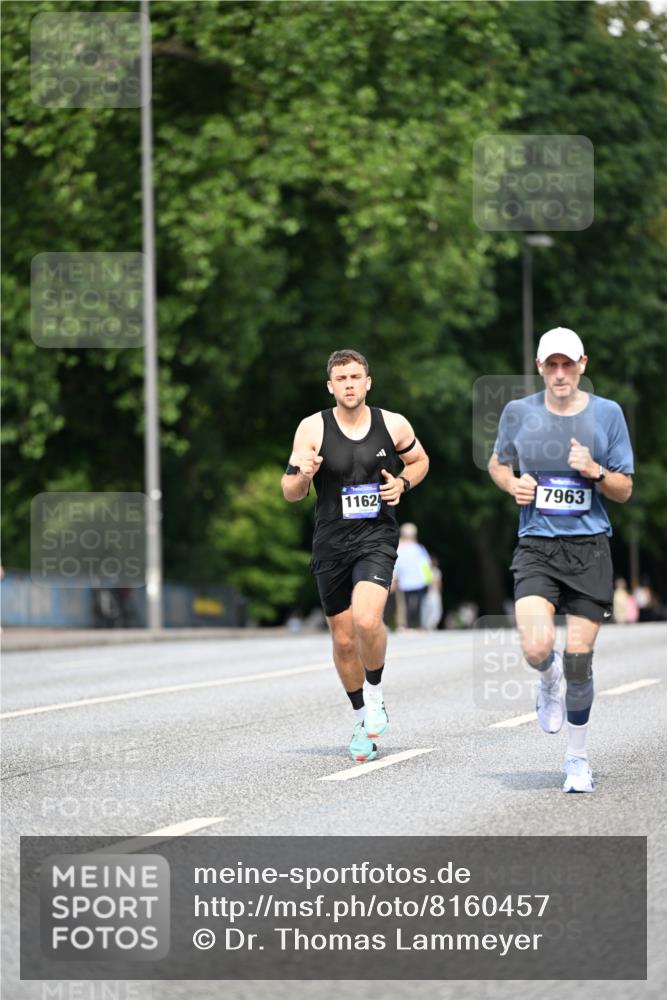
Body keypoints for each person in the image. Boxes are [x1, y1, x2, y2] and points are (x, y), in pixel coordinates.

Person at [488, 327, 634, 793]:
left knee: (578, 660)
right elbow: (497, 462)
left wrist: (595, 471)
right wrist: (512, 483)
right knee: (536, 648)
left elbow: (624, 489)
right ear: (539, 367)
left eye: (567, 364)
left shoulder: (607, 414)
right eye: (551, 364)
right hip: (537, 545)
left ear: (582, 365)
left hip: (590, 548)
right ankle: (547, 679)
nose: (559, 372)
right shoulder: (519, 413)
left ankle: (577, 759)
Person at [281, 349, 429, 761]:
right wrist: (303, 475)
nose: (349, 384)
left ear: (368, 382)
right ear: (331, 386)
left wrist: (403, 483)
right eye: (341, 378)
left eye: (355, 377)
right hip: (330, 543)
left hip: (375, 538)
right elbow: (290, 492)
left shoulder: (393, 424)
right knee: (344, 640)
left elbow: (419, 460)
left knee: (366, 620)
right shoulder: (312, 428)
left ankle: (376, 694)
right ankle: (362, 720)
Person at [393, 523, 432, 628]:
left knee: (404, 604)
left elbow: (396, 565)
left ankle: (407, 625)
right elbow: (426, 564)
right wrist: (429, 579)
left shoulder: (399, 549)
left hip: (404, 581)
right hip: (419, 581)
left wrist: (394, 577)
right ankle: (418, 625)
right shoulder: (419, 548)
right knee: (418, 603)